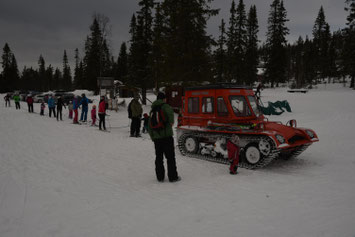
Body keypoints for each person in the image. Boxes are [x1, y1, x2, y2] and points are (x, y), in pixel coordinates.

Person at [148, 92, 180, 183]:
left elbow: (150, 127)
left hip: (157, 139)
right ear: (163, 99)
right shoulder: (167, 107)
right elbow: (171, 122)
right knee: (170, 158)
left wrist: (153, 137)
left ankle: (160, 177)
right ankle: (173, 177)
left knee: (159, 158)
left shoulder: (152, 109)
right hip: (167, 137)